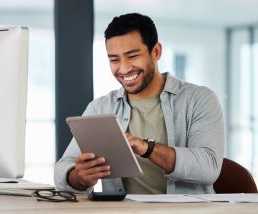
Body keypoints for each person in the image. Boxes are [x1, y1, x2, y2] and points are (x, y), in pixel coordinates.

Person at [54, 13, 225, 194]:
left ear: (156, 52)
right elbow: (62, 169)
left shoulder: (199, 99)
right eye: (114, 59)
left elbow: (209, 167)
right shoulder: (100, 108)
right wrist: (78, 177)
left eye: (132, 56)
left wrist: (147, 147)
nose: (124, 68)